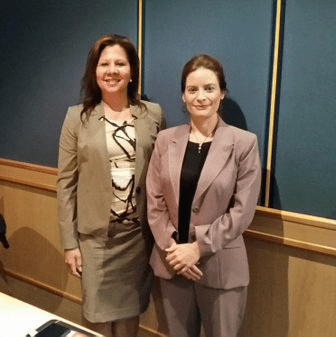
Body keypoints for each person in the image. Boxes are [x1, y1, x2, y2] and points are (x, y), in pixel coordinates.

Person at [57, 34, 166, 337]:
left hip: (137, 237)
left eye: (120, 63)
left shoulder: (153, 114)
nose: (112, 70)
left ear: (132, 71)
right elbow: (65, 183)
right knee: (97, 319)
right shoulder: (76, 118)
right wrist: (69, 243)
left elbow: (161, 176)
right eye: (104, 64)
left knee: (131, 319)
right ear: (94, 71)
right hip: (95, 239)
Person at [145, 54, 261, 337]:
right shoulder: (165, 140)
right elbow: (154, 201)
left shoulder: (244, 144)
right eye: (192, 89)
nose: (201, 97)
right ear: (183, 96)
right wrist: (174, 249)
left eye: (209, 88)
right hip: (172, 266)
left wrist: (196, 249)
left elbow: (242, 212)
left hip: (221, 267)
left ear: (222, 93)